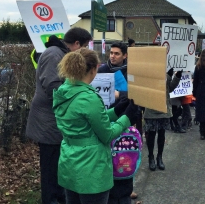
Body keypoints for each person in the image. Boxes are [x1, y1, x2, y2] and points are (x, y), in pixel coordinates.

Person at [53, 48, 139, 204]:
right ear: (93, 69)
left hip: (69, 164)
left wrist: (117, 110)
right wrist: (127, 118)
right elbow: (106, 134)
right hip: (91, 169)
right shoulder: (89, 97)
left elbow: (87, 121)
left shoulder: (63, 91)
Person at [26, 27, 92, 204]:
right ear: (76, 44)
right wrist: (77, 101)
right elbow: (52, 86)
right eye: (84, 46)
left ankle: (60, 198)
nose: (85, 51)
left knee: (58, 167)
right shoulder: (54, 54)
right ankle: (51, 199)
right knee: (50, 169)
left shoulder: (61, 54)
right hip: (47, 123)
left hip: (54, 121)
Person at [97, 41, 138, 203]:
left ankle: (127, 187)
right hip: (107, 118)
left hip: (126, 117)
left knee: (126, 153)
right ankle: (111, 189)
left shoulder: (131, 71)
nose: (113, 56)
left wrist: (120, 95)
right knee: (110, 155)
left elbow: (136, 93)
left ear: (125, 55)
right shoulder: (102, 71)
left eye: (117, 54)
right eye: (111, 53)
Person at [144, 68, 182, 171]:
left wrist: (177, 76)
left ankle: (159, 157)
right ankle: (151, 157)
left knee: (162, 134)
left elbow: (170, 88)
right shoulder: (148, 70)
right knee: (151, 135)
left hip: (163, 108)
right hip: (151, 108)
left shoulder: (168, 70)